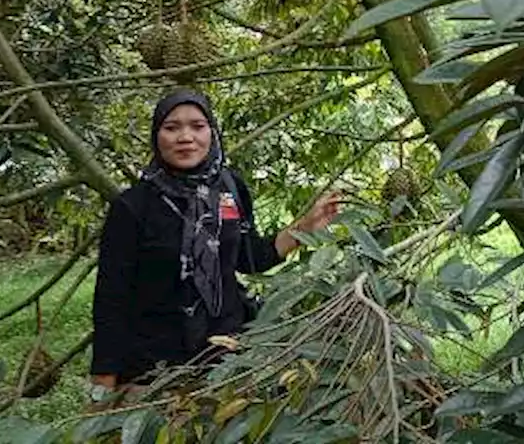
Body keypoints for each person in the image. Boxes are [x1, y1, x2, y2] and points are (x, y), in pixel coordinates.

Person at [87, 88, 339, 405]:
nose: (185, 137)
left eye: (197, 125)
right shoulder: (133, 206)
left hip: (227, 356)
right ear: (156, 137)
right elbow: (111, 297)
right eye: (172, 127)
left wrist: (304, 228)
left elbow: (249, 258)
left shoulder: (230, 189)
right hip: (154, 367)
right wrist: (103, 381)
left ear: (212, 133)